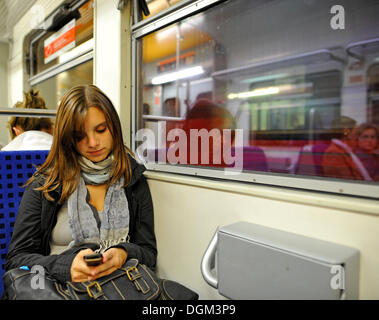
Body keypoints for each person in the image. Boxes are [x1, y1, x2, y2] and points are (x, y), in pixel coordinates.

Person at [5, 85, 157, 284]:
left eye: (101, 130)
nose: (93, 142)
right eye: (79, 136)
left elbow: (148, 253)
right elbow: (16, 260)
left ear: (114, 128)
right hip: (61, 290)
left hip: (118, 288)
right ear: (68, 139)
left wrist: (123, 252)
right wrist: (65, 268)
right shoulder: (47, 183)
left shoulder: (132, 179)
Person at [321, 116, 369, 180]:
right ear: (346, 131)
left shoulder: (346, 150)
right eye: (356, 132)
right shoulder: (334, 153)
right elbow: (344, 182)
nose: (358, 136)